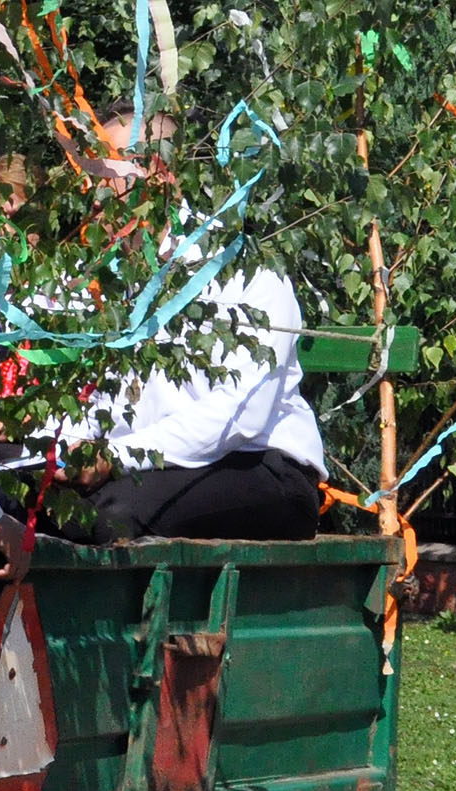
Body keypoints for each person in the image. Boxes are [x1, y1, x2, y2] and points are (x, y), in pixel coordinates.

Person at [47, 103, 326, 541]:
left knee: (107, 518)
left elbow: (241, 415)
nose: (90, 188)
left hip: (260, 467)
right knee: (17, 506)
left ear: (159, 174)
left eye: (104, 170)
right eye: (88, 170)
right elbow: (92, 399)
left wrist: (114, 457)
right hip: (143, 468)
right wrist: (48, 443)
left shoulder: (240, 268)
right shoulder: (104, 280)